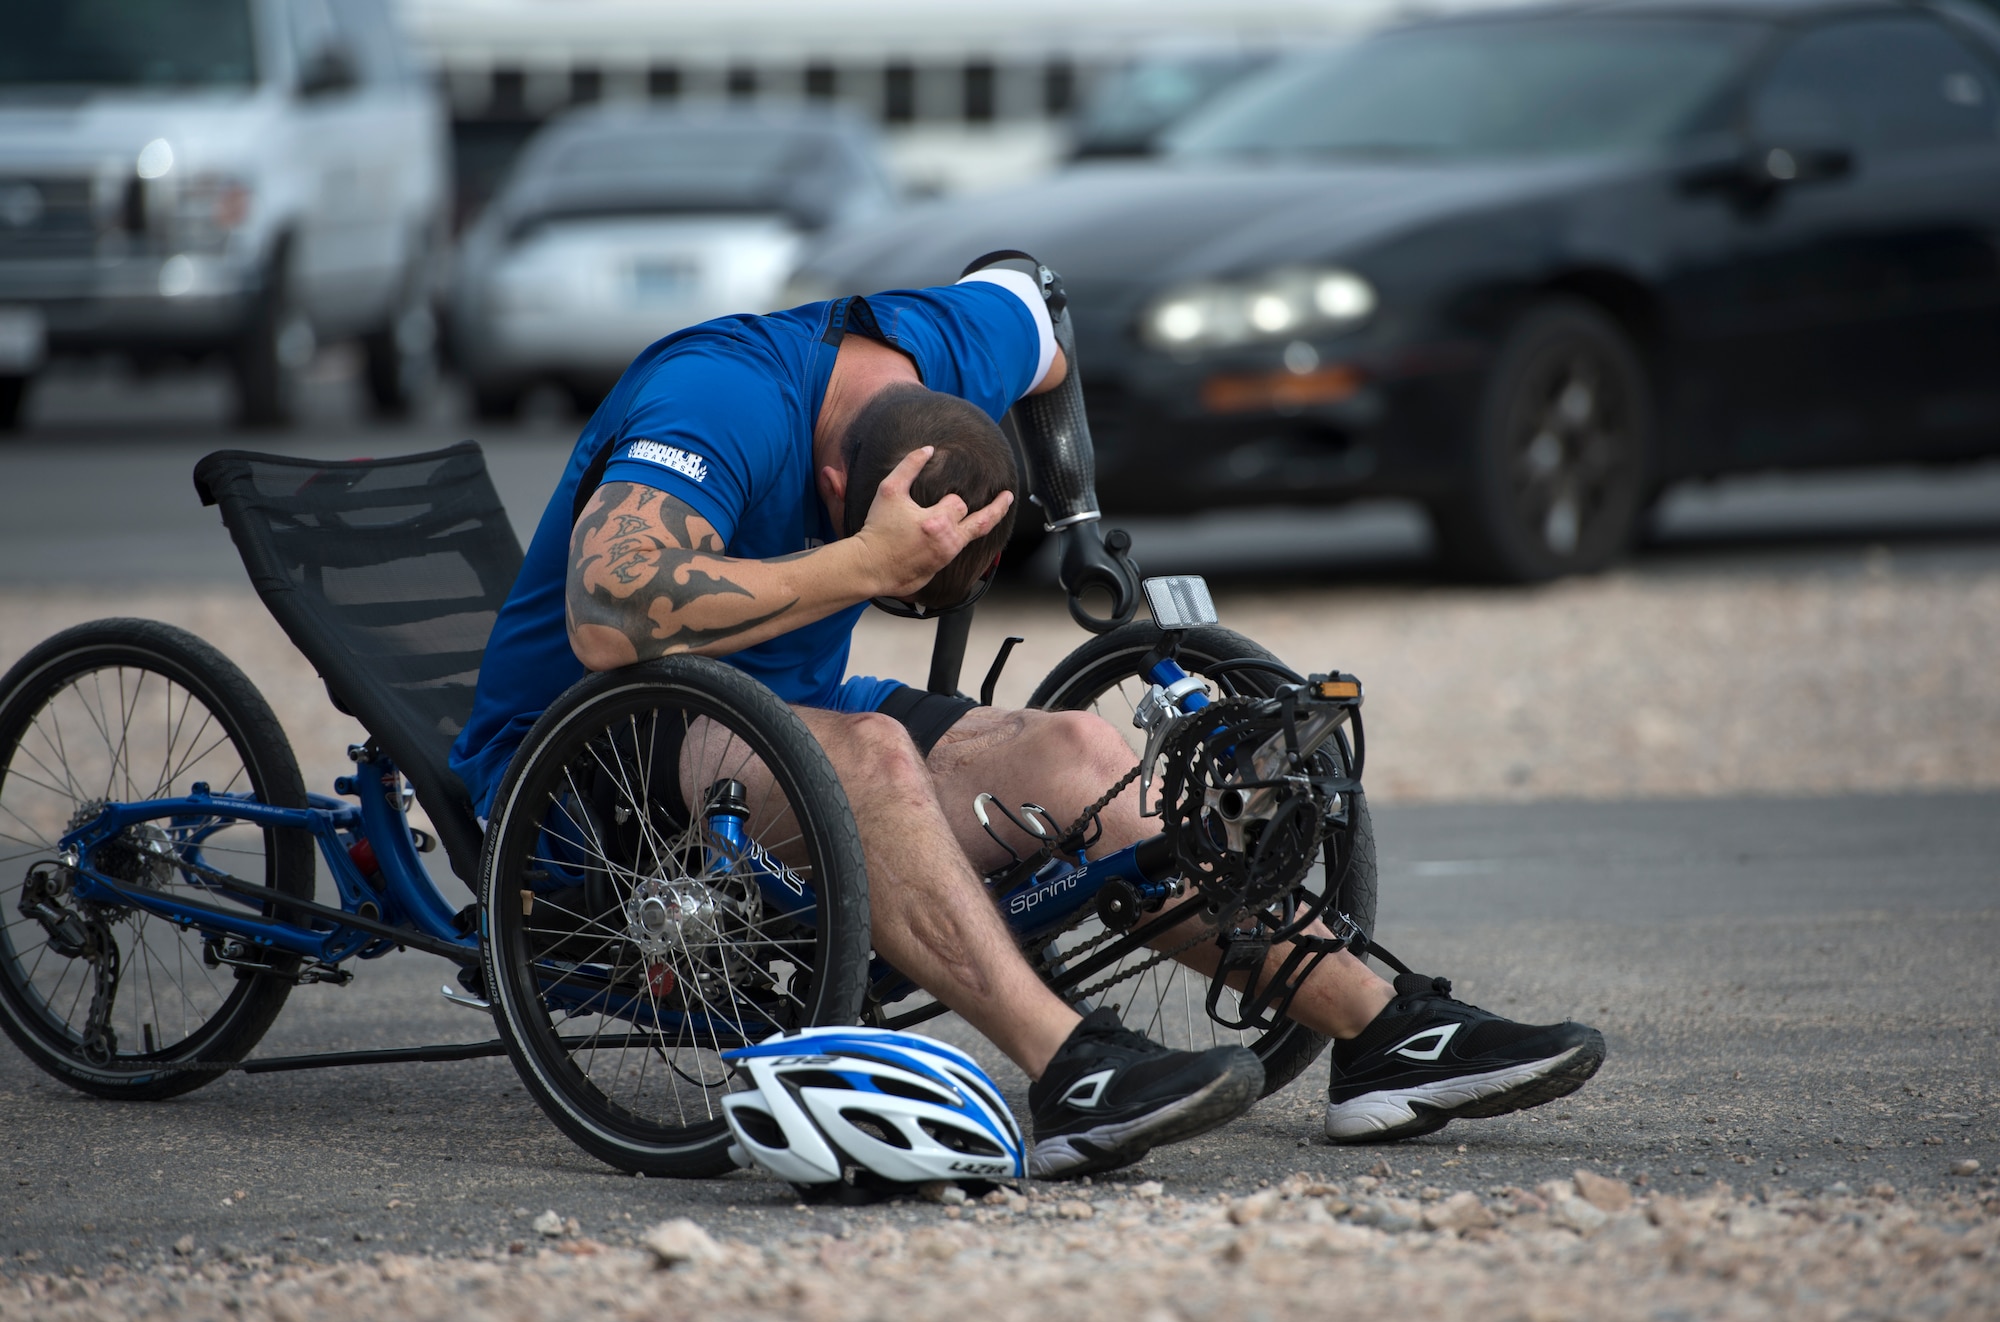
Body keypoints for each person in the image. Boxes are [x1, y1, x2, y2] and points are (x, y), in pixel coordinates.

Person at [450, 255, 1604, 1180]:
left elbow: (1036, 301)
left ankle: (1379, 1029)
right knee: (867, 754)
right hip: (594, 749)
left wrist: (1079, 511)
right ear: (853, 492)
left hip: (780, 707)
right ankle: (1066, 1068)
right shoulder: (719, 399)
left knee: (1080, 752)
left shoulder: (946, 349)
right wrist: (859, 565)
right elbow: (608, 611)